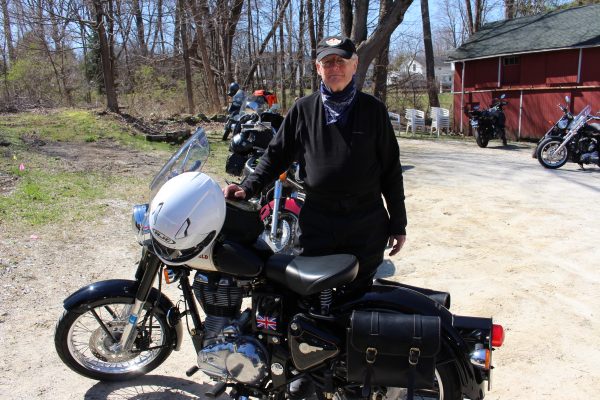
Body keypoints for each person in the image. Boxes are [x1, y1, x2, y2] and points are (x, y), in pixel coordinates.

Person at [223, 35, 407, 293]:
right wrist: (248, 186)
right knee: (311, 302)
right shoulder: (303, 110)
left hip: (365, 224)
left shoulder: (373, 110)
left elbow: (391, 171)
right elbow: (276, 155)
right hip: (318, 223)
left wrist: (398, 223)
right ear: (318, 68)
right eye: (328, 62)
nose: (335, 68)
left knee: (357, 300)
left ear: (354, 65)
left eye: (341, 61)